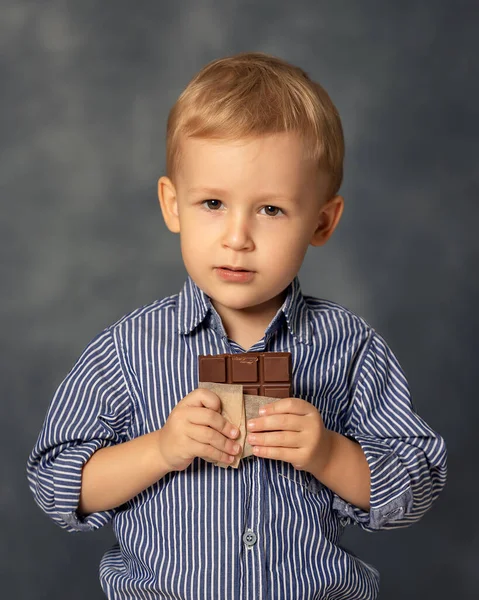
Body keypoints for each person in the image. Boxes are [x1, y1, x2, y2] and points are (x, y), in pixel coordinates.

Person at [27, 52, 447, 599]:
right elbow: (56, 482)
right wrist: (160, 450)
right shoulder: (128, 349)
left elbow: (417, 482)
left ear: (322, 222)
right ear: (172, 205)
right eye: (212, 204)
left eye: (270, 210)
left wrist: (329, 454)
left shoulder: (350, 348)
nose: (237, 237)